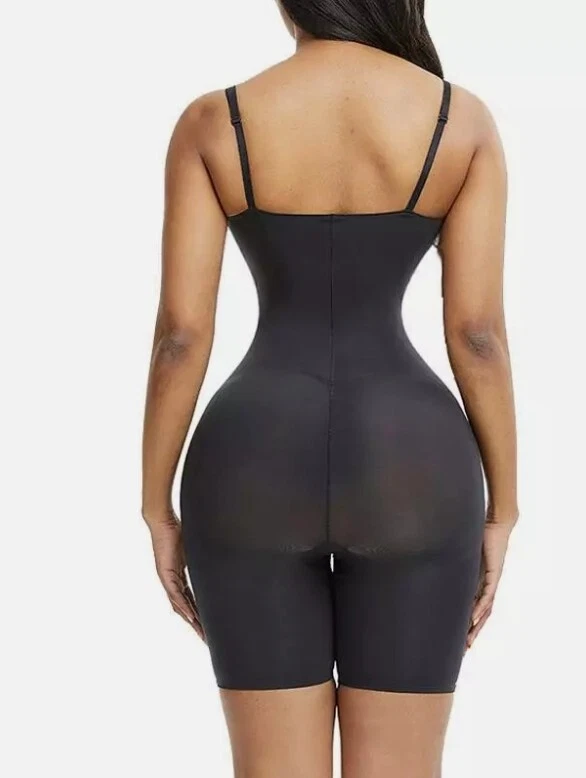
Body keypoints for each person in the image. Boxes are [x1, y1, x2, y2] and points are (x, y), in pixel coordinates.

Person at [141, 1, 518, 775]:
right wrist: (503, 509)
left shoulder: (215, 121)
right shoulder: (460, 121)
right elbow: (477, 334)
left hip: (250, 463)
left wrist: (156, 505)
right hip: (414, 466)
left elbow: (181, 334)